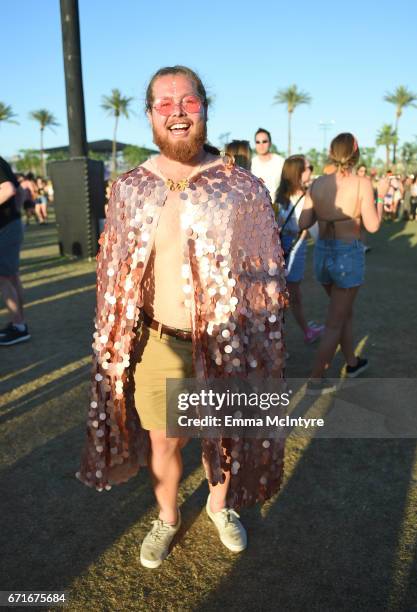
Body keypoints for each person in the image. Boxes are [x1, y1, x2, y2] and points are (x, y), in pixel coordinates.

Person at [77, 65, 288, 569]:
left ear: (204, 108)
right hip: (158, 341)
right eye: (164, 103)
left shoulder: (240, 188)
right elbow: (116, 272)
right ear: (150, 114)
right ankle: (168, 517)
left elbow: (265, 270)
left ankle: (218, 507)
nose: (177, 112)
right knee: (164, 440)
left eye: (187, 102)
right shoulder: (130, 188)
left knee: (227, 434)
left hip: (225, 339)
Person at [299, 133, 389, 394]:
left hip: (323, 255)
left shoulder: (317, 183)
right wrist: (381, 197)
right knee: (335, 321)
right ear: (355, 151)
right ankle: (315, 380)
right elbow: (372, 225)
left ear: (331, 152)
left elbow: (304, 223)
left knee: (343, 312)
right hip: (346, 254)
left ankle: (352, 363)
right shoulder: (362, 182)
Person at [275, 155, 324, 343]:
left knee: (289, 296)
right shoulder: (304, 197)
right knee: (290, 297)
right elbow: (316, 233)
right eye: (308, 167)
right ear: (297, 172)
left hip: (288, 250)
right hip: (292, 250)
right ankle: (280, 340)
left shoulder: (281, 197)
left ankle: (301, 331)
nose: (311, 170)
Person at [0, 156, 30, 346]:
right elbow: (19, 192)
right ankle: (19, 324)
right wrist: (15, 215)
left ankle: (19, 326)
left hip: (5, 228)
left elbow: (9, 190)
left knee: (3, 278)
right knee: (11, 277)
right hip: (10, 225)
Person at [251, 128, 284, 198]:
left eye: (264, 141)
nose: (261, 145)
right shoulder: (250, 163)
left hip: (278, 206)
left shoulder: (280, 162)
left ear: (270, 143)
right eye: (258, 142)